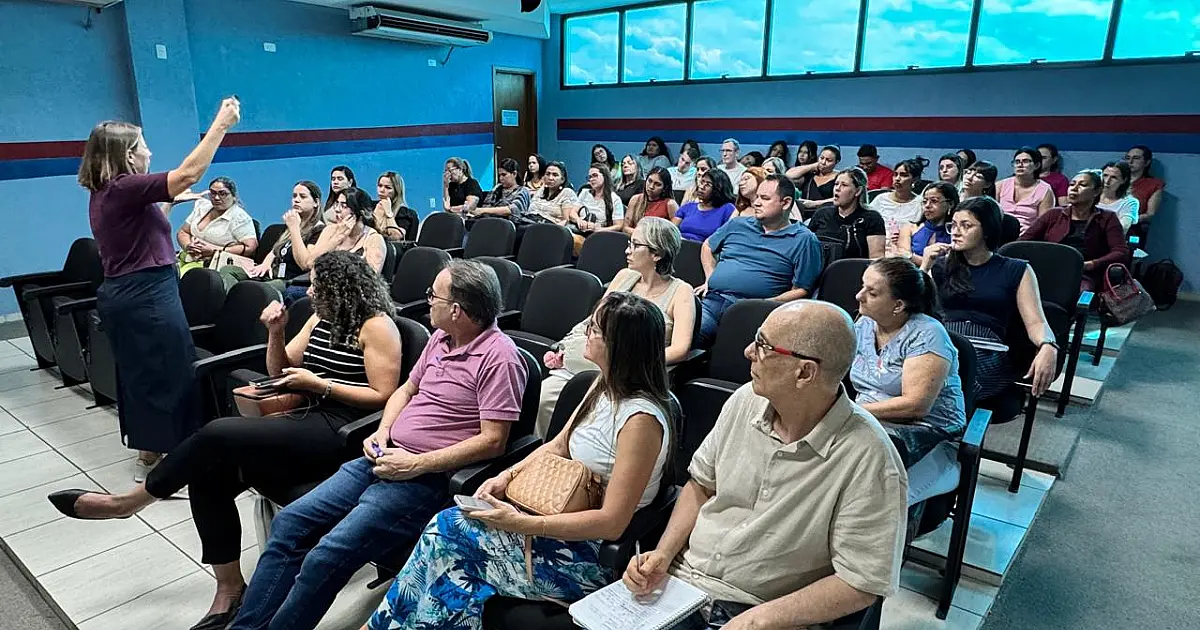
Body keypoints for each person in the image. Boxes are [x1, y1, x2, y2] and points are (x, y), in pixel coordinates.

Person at [49, 250, 403, 630]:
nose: (311, 288)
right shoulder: (320, 317)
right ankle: (229, 590)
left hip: (344, 430)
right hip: (307, 416)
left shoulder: (378, 327)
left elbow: (383, 395)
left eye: (318, 282)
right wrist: (276, 332)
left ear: (341, 286)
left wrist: (320, 385)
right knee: (208, 473)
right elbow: (281, 370)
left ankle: (132, 502)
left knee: (217, 431)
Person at [229, 260, 527, 630]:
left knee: (326, 555)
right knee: (289, 523)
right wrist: (382, 430)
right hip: (381, 456)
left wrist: (417, 464)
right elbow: (406, 389)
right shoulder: (441, 338)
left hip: (425, 478)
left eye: (434, 295)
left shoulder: (501, 358)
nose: (427, 300)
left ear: (456, 310)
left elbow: (494, 441)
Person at [369, 291, 672, 630]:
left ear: (622, 348)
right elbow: (557, 445)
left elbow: (611, 522)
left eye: (596, 330)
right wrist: (506, 477)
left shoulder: (640, 421)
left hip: (588, 551)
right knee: (447, 537)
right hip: (554, 517)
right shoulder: (604, 383)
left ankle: (384, 625)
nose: (587, 331)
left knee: (447, 542)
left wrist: (520, 523)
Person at [623, 302, 908, 630]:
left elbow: (861, 583)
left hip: (764, 611)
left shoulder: (870, 458)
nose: (747, 352)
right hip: (684, 587)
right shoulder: (745, 400)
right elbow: (701, 485)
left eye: (763, 346)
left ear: (804, 372)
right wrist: (663, 554)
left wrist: (759, 620)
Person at [78, 97, 239, 481]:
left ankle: (149, 454)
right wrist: (221, 125)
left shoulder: (109, 192)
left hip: (128, 292)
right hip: (146, 294)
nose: (149, 152)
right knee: (171, 374)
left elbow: (140, 231)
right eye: (143, 147)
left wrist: (167, 206)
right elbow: (187, 174)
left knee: (144, 375)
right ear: (128, 156)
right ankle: (176, 468)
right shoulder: (124, 188)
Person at [537, 218, 694, 435]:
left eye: (635, 245)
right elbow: (596, 320)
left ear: (657, 254)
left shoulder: (681, 291)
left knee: (591, 415)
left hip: (631, 375)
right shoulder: (624, 276)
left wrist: (627, 358)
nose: (627, 250)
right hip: (591, 362)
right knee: (544, 396)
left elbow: (680, 349)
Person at [852, 257, 965, 535]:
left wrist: (846, 410)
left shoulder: (927, 334)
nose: (859, 296)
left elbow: (916, 405)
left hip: (930, 439)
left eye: (872, 292)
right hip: (871, 427)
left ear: (898, 305)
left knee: (877, 507)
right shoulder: (865, 325)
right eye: (862, 287)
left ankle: (877, 571)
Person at [921, 197, 1058, 400]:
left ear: (987, 230)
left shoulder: (1016, 269)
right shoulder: (941, 266)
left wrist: (1048, 345)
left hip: (987, 348)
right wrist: (925, 267)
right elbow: (918, 312)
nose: (956, 232)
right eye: (954, 225)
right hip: (945, 341)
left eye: (966, 226)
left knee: (951, 381)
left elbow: (1036, 321)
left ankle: (945, 419)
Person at [695, 176, 823, 344]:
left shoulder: (804, 240)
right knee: (674, 337)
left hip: (755, 313)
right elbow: (707, 246)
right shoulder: (737, 224)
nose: (756, 203)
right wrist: (709, 278)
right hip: (713, 302)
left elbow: (801, 290)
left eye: (765, 198)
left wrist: (763, 304)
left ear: (785, 203)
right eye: (757, 197)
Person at [1021, 170, 1129, 292]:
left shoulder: (1107, 218)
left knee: (1079, 290)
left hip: (1084, 273)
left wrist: (1092, 264)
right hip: (1049, 268)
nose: (1074, 188)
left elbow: (1121, 252)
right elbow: (1023, 242)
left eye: (1082, 185)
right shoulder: (1053, 214)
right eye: (1072, 184)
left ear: (1097, 191)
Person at [220, 181, 325, 291]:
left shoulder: (318, 230)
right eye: (294, 196)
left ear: (316, 202)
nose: (296, 200)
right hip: (271, 276)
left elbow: (304, 263)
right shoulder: (291, 225)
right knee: (229, 270)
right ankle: (232, 303)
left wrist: (294, 229)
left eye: (302, 197)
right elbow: (276, 250)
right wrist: (265, 264)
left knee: (263, 287)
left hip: (290, 281)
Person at [176, 176, 257, 274]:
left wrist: (214, 250)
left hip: (212, 265)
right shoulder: (202, 206)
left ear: (233, 196)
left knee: (180, 279)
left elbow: (250, 248)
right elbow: (183, 232)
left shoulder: (239, 217)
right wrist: (188, 246)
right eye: (213, 193)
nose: (217, 198)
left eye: (223, 194)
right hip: (186, 257)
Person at [808, 168, 887, 260]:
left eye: (844, 185)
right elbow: (807, 248)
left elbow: (876, 259)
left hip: (854, 272)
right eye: (836, 184)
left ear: (857, 191)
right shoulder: (821, 214)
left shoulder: (872, 218)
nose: (837, 188)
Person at [310, 187, 387, 275]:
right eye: (337, 204)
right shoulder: (329, 231)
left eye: (344, 206)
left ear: (360, 213)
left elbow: (371, 278)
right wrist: (337, 238)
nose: (337, 209)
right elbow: (311, 263)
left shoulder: (374, 239)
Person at [869, 157, 928, 253]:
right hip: (879, 249)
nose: (897, 179)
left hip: (908, 251)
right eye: (895, 174)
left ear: (915, 179)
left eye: (904, 175)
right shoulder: (880, 199)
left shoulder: (921, 203)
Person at [996, 147, 1055, 235]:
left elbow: (1043, 225)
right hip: (999, 233)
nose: (1020, 165)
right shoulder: (1000, 185)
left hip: (1027, 236)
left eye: (1026, 161)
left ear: (1037, 165)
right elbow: (991, 215)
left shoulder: (1045, 190)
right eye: (1017, 162)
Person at [570, 162, 626, 252]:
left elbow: (618, 226)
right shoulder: (585, 193)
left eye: (595, 175)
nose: (592, 179)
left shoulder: (614, 199)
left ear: (605, 176)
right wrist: (579, 220)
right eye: (590, 177)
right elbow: (572, 213)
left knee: (576, 242)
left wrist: (598, 229)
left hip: (599, 235)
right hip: (580, 231)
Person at [898, 181, 957, 265]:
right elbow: (902, 258)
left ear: (950, 204)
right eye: (925, 201)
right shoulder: (909, 228)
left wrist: (911, 257)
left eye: (934, 201)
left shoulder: (956, 232)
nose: (927, 205)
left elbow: (952, 266)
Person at [674, 168, 736, 242]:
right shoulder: (688, 207)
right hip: (679, 245)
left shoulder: (727, 209)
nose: (702, 187)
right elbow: (671, 230)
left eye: (708, 184)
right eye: (702, 182)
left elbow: (728, 237)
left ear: (718, 189)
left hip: (705, 249)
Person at [1124, 144, 1165, 246]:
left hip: (1133, 227)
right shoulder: (1116, 179)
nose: (1130, 162)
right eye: (1128, 158)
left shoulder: (1154, 184)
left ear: (1147, 162)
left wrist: (1127, 221)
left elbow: (1150, 214)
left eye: (1136, 158)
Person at [792, 145, 841, 220]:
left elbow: (839, 198)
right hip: (804, 215)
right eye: (821, 158)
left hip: (826, 216)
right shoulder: (811, 174)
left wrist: (815, 204)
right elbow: (789, 175)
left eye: (828, 160)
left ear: (836, 162)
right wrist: (813, 166)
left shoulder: (839, 177)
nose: (823, 162)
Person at [625, 166, 679, 234]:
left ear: (665, 188)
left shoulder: (670, 204)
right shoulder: (635, 199)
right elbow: (625, 228)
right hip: (635, 239)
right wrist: (641, 234)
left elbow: (673, 233)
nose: (651, 186)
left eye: (657, 184)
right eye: (649, 181)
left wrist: (648, 236)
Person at [477, 157, 531, 222]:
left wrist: (481, 210)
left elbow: (513, 210)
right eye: (499, 175)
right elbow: (486, 206)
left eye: (504, 175)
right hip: (490, 223)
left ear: (514, 174)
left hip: (511, 227)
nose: (501, 178)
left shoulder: (523, 191)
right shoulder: (497, 189)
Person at [527, 161, 577, 226]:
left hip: (552, 229)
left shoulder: (567, 192)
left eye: (555, 175)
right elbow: (530, 210)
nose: (550, 178)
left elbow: (566, 221)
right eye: (548, 174)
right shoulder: (541, 191)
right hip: (531, 224)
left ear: (562, 179)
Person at [1098, 160, 1139, 233]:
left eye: (1113, 177)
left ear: (1124, 180)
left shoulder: (1130, 202)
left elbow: (1123, 228)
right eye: (1105, 175)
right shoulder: (1091, 194)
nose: (1107, 181)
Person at [372, 171, 411, 242]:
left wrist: (388, 213)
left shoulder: (404, 213)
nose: (382, 190)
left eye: (388, 187)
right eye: (380, 186)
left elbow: (395, 237)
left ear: (397, 191)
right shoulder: (371, 206)